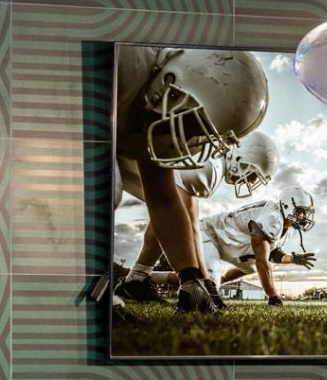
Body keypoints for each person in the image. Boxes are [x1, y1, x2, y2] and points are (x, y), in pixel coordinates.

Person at [113, 47, 271, 314]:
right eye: (192, 125)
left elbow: (163, 200)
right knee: (109, 188)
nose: (188, 141)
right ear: (172, 80)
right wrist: (205, 279)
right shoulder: (125, 67)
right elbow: (187, 216)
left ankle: (137, 279)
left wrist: (190, 277)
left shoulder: (159, 105)